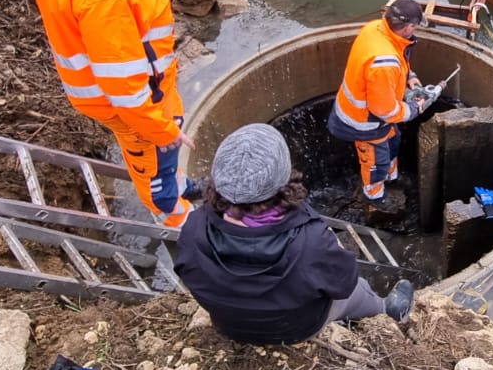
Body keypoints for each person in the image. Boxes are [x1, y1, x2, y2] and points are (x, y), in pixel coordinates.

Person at [29, 0, 195, 228]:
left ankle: (179, 186)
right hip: (129, 101)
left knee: (160, 156)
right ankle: (176, 218)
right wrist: (163, 130)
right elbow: (125, 86)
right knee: (154, 159)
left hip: (118, 85)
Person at [175, 124, 414, 344]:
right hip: (295, 328)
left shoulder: (194, 228)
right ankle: (387, 310)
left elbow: (190, 275)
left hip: (231, 325)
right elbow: (343, 283)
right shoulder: (310, 242)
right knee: (358, 289)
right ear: (283, 177)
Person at [326, 0, 432, 202]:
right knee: (376, 163)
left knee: (393, 141)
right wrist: (413, 108)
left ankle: (392, 179)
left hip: (373, 113)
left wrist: (411, 77)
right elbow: (385, 111)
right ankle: (375, 196)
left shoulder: (376, 28)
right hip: (364, 123)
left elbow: (398, 58)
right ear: (408, 27)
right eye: (415, 27)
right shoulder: (383, 63)